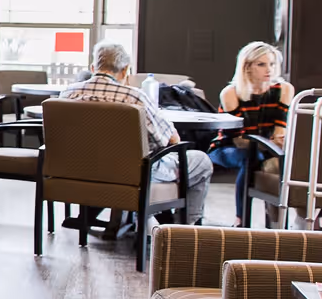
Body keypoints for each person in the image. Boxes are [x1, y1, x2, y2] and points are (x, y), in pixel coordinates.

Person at [61, 40, 214, 226]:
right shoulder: (133, 97)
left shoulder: (68, 94)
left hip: (83, 171)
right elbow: (173, 139)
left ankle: (137, 220)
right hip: (134, 174)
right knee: (202, 161)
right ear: (125, 70)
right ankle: (183, 229)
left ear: (93, 67)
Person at [209, 41, 294, 210]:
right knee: (252, 157)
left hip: (267, 146)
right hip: (227, 147)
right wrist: (269, 144)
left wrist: (274, 142)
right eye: (261, 64)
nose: (269, 69)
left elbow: (280, 132)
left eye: (272, 64)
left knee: (293, 160)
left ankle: (311, 219)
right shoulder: (231, 93)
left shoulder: (284, 89)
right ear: (247, 67)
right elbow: (239, 140)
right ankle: (241, 218)